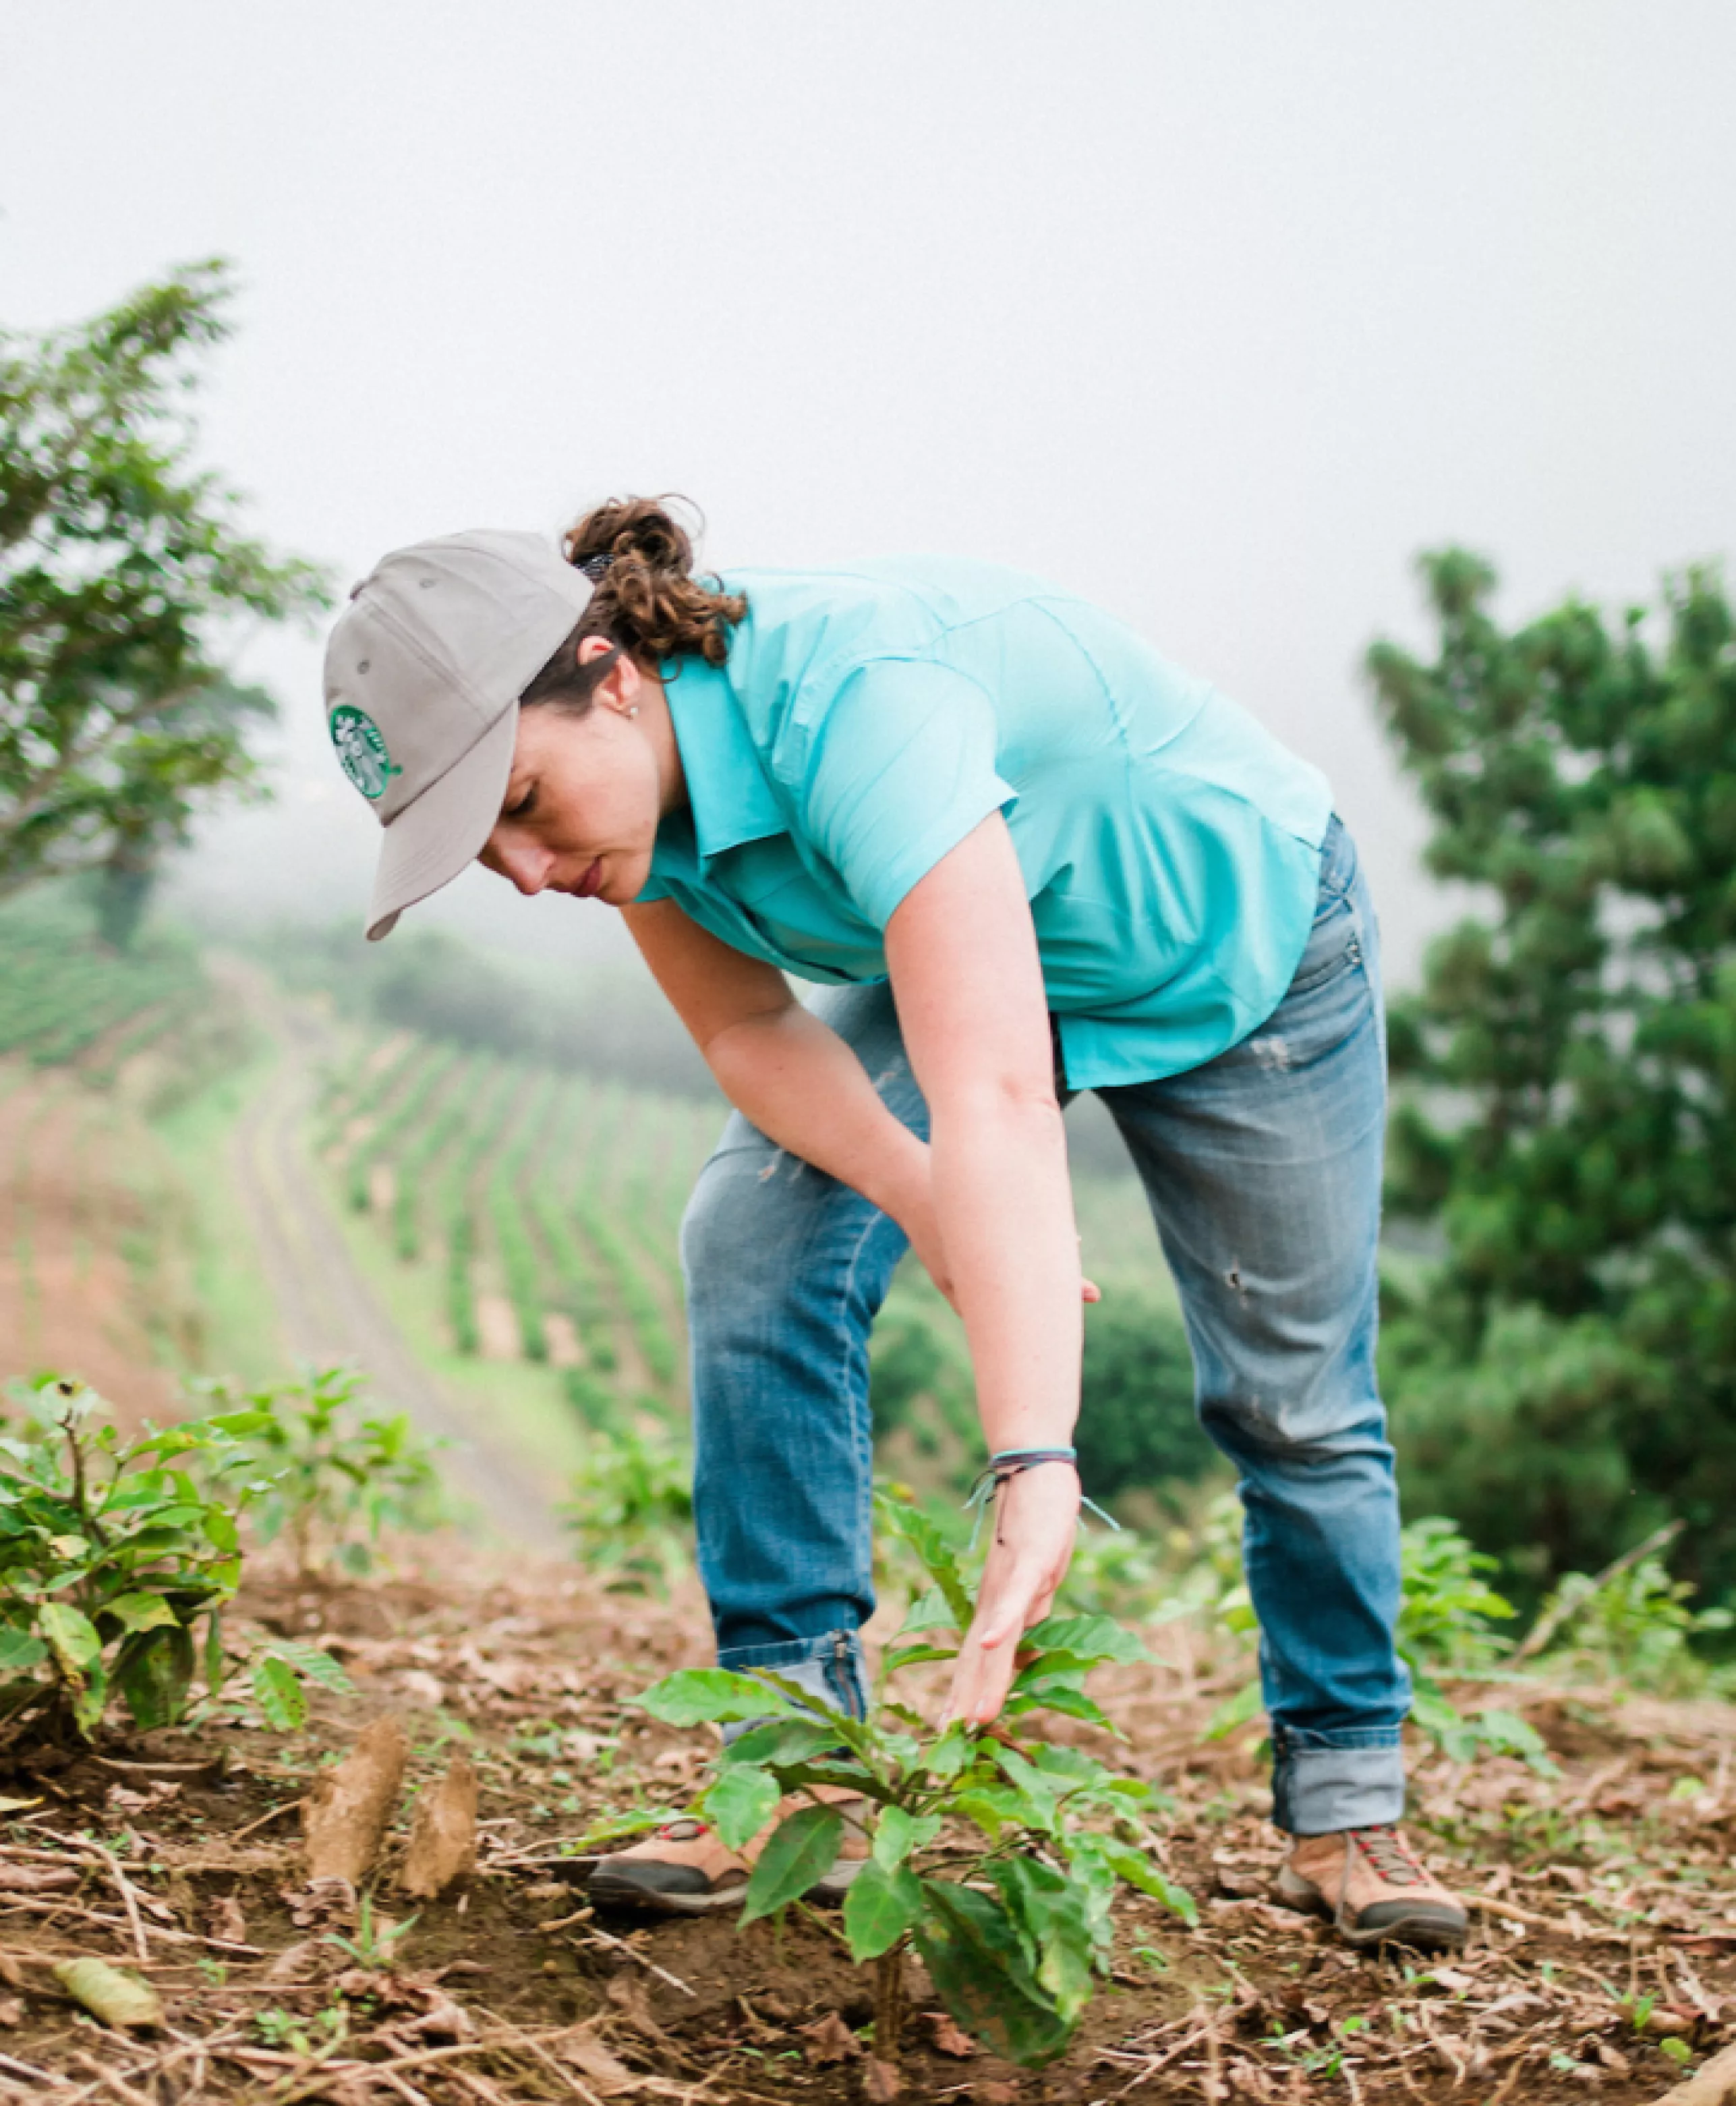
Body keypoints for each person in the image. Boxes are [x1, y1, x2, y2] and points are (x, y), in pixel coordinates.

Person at [323, 499, 1468, 1952]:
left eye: (526, 805)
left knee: (1290, 1392)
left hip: (1234, 950)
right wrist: (920, 1198)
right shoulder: (638, 812)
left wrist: (1034, 1458)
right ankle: (792, 1762)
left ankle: (1348, 1803)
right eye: (485, 849)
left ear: (612, 674)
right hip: (991, 959)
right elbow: (749, 1031)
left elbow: (991, 1092)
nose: (532, 874)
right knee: (753, 1231)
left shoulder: (856, 701)